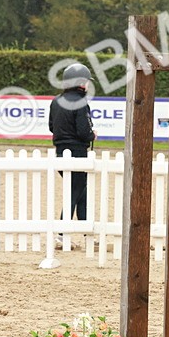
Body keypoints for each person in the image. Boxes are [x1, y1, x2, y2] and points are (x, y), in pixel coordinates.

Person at [49, 63, 95, 234]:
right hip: (77, 153)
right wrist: (92, 135)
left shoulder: (55, 101)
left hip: (60, 152)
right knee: (75, 191)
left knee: (80, 190)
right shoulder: (81, 102)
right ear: (81, 83)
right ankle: (61, 233)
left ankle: (86, 231)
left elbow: (52, 127)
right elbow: (84, 131)